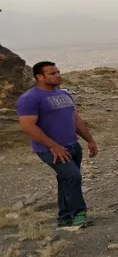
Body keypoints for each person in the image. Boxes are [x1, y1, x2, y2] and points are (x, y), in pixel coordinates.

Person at [15, 61, 99, 228]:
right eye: (52, 73)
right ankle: (79, 214)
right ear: (40, 77)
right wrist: (53, 146)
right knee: (73, 176)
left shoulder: (64, 94)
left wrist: (89, 140)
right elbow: (28, 126)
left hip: (72, 145)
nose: (58, 75)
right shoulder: (30, 98)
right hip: (51, 149)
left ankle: (65, 217)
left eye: (58, 72)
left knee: (66, 179)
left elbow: (75, 119)